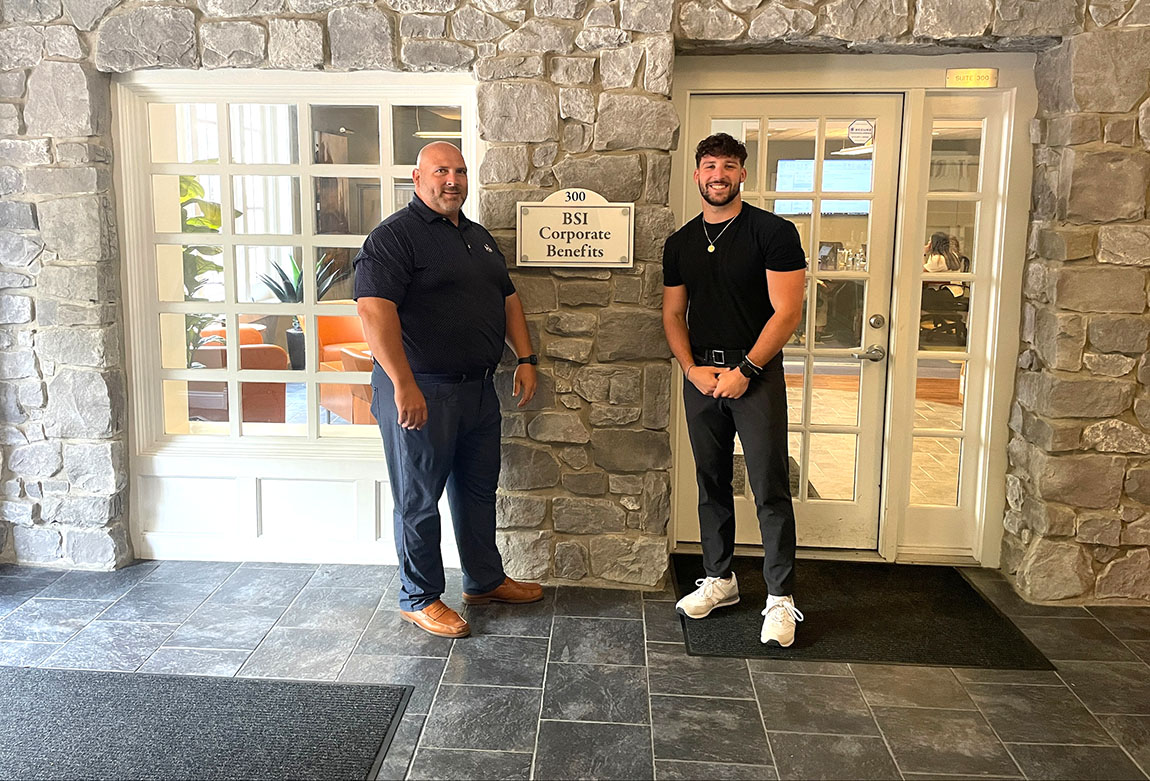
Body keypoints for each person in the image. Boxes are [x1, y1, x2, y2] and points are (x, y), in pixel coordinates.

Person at [354, 141, 543, 639]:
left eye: (459, 171)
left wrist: (525, 358)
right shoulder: (394, 238)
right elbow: (374, 312)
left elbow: (508, 299)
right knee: (418, 500)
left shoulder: (478, 237)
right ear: (417, 179)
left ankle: (483, 580)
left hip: (479, 392)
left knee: (478, 493)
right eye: (441, 171)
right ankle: (418, 597)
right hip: (422, 392)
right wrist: (402, 383)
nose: (452, 180)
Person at [661, 133, 808, 647]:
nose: (717, 174)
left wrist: (746, 368)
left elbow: (787, 312)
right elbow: (673, 313)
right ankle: (720, 579)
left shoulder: (774, 232)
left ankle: (780, 598)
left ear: (742, 173)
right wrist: (690, 368)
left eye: (728, 165)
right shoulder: (680, 242)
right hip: (702, 377)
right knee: (711, 482)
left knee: (768, 485)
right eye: (708, 165)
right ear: (697, 174)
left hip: (756, 375)